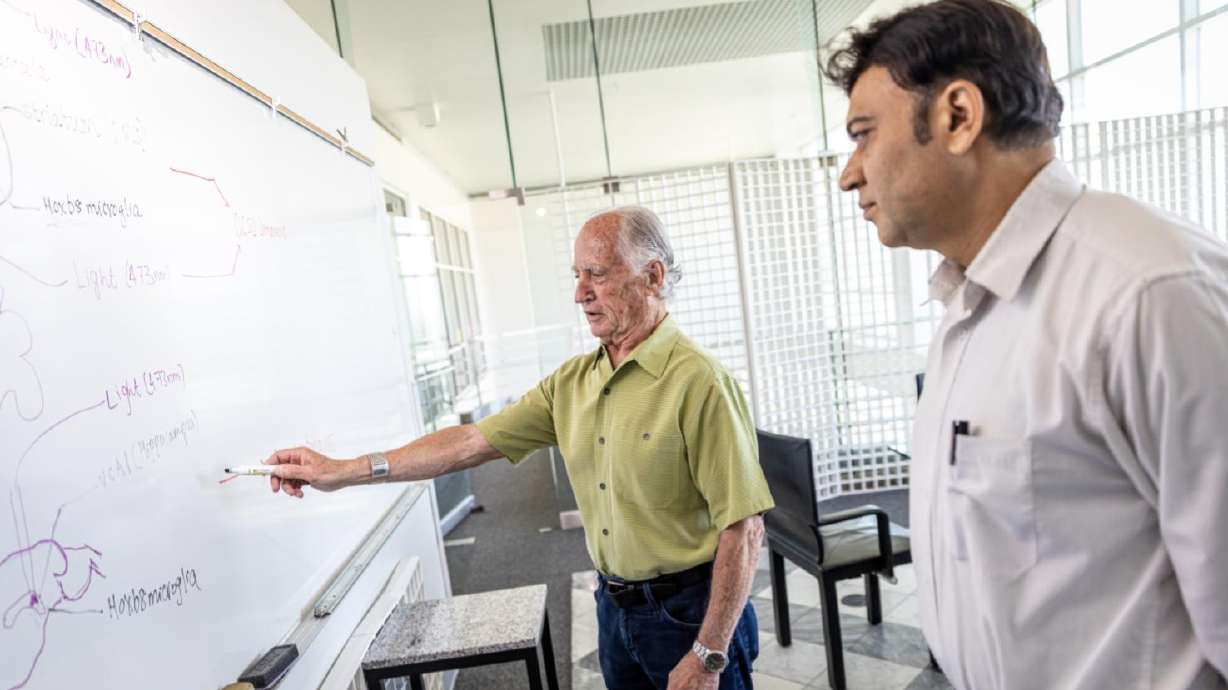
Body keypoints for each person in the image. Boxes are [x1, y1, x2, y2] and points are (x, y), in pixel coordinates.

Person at [824, 1, 1228, 688]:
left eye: (864, 134)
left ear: (957, 116)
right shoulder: (966, 302)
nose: (850, 173)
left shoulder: (1147, 293)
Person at [263, 206, 775, 690]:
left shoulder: (699, 381)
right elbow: (468, 443)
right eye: (577, 274)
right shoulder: (574, 381)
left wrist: (709, 653)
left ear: (653, 277)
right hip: (613, 608)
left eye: (596, 273)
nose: (580, 293)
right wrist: (343, 470)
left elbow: (744, 527)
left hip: (690, 613)